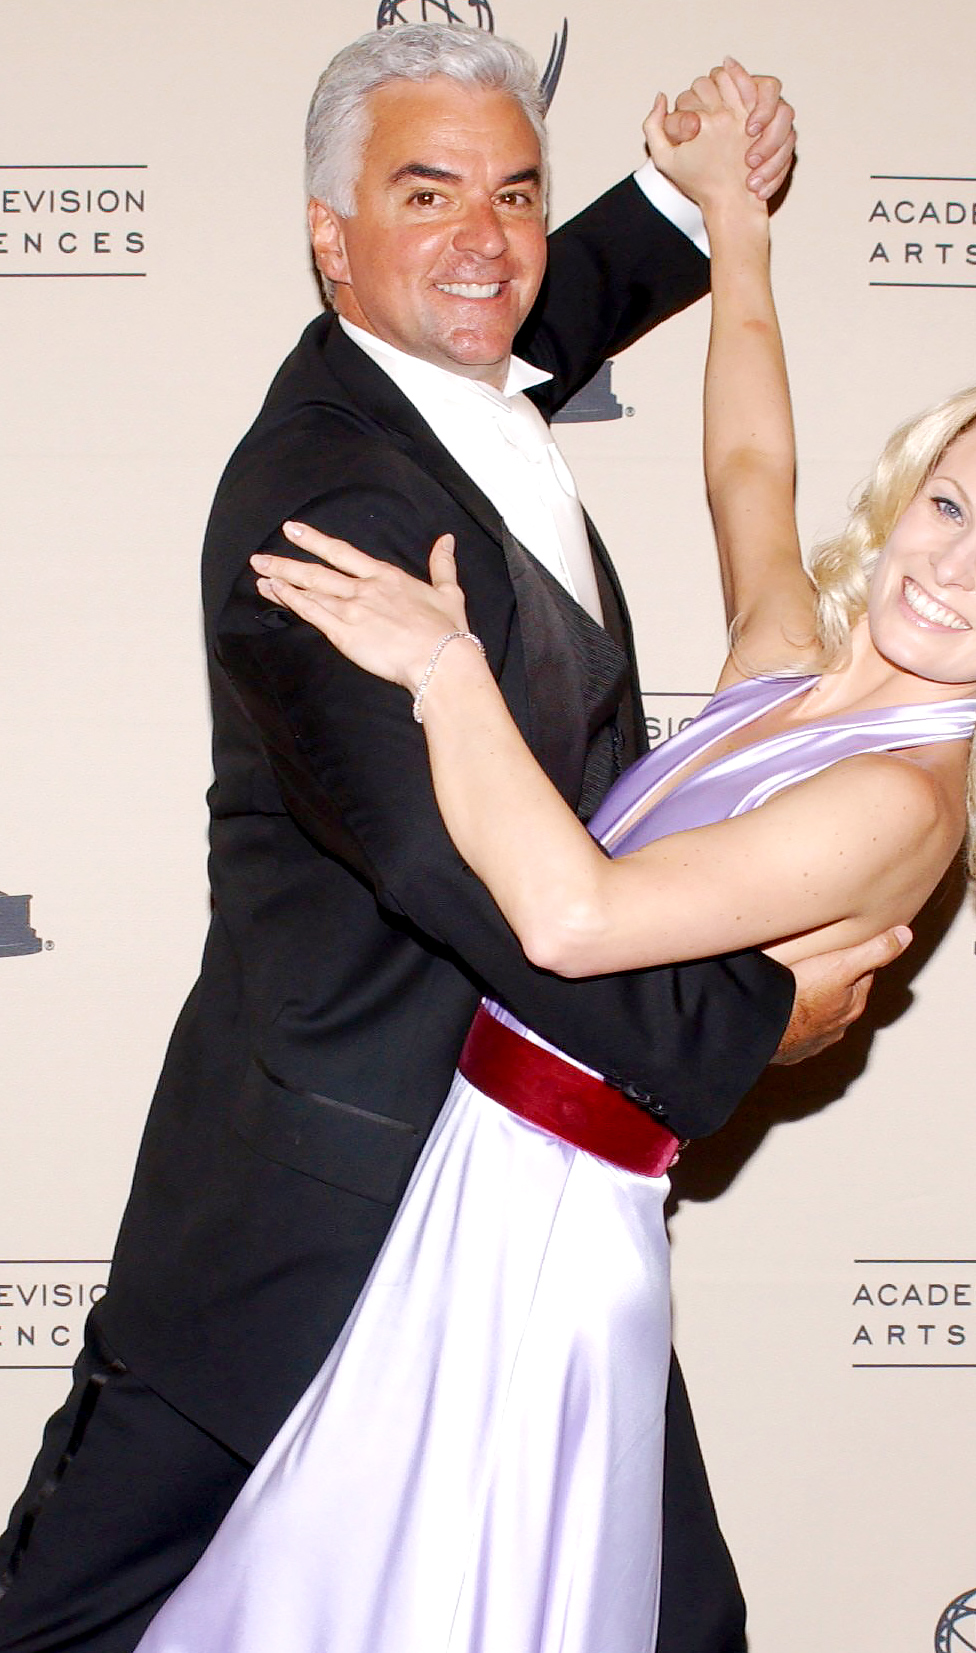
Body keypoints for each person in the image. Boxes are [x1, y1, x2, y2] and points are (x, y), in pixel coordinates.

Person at [132, 68, 976, 1653]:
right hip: (454, 1185)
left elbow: (570, 915)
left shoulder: (902, 801)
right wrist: (734, 218)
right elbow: (752, 470)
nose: (953, 566)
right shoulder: (792, 662)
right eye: (951, 505)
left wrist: (445, 666)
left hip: (536, 1248)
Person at [0, 27, 898, 1653]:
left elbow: (519, 302)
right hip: (317, 1222)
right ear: (329, 239)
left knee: (667, 1613)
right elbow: (458, 876)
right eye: (426, 194)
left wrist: (695, 196)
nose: (485, 238)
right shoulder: (327, 507)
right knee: (75, 1615)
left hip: (521, 1196)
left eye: (517, 192)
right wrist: (761, 1019)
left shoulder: (441, 380)